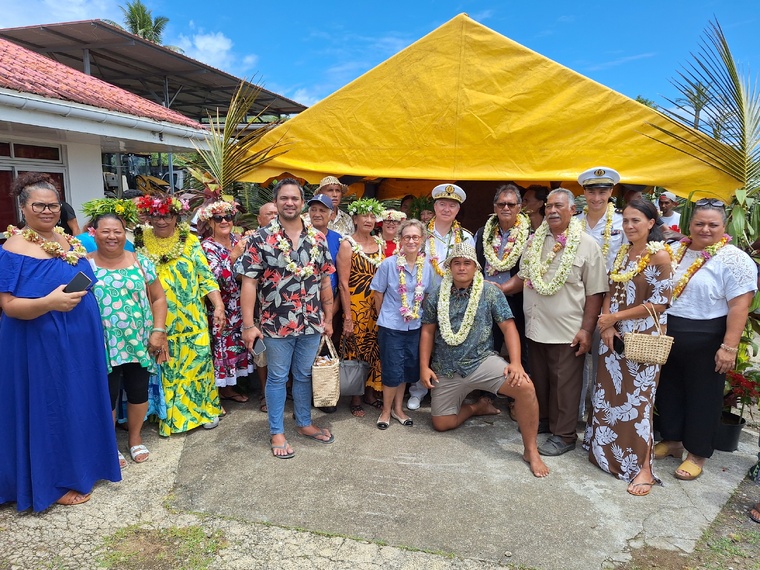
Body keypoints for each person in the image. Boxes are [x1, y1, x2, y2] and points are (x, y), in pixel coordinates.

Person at [0, 172, 120, 510]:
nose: (48, 211)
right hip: (39, 345)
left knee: (77, 402)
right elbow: (9, 306)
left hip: (79, 343)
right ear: (23, 207)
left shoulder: (69, 241)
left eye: (53, 205)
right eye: (39, 205)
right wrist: (48, 303)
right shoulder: (12, 249)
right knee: (49, 408)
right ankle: (50, 483)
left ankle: (83, 466)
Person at [419, 243, 549, 478]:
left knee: (525, 387)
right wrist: (424, 367)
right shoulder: (437, 294)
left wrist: (517, 363)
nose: (461, 267)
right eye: (456, 263)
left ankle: (531, 450)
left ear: (475, 267)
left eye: (467, 263)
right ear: (449, 267)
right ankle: (477, 407)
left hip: (481, 362)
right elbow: (427, 331)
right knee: (441, 423)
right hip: (446, 368)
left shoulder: (490, 292)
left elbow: (509, 328)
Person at [654, 198, 757, 481]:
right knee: (670, 391)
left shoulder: (735, 259)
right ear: (690, 224)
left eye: (713, 224)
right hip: (671, 331)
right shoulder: (675, 250)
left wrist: (729, 347)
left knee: (703, 397)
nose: (705, 229)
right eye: (699, 223)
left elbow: (740, 306)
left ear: (724, 226)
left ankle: (697, 453)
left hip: (708, 336)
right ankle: (673, 441)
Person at [239, 178, 336, 459]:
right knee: (278, 377)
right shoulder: (260, 238)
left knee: (304, 375)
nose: (290, 203)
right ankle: (277, 431)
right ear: (276, 201)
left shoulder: (317, 238)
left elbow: (325, 280)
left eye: (295, 198)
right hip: (275, 322)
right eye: (284, 198)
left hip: (311, 323)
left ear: (302, 202)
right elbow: (249, 283)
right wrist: (248, 325)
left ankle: (304, 423)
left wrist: (328, 318)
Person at [583, 200, 673, 496]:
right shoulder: (623, 253)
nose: (630, 226)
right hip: (613, 338)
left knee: (638, 404)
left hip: (640, 341)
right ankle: (606, 454)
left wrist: (615, 318)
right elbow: (611, 289)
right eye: (626, 221)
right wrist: (606, 324)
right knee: (608, 396)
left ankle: (643, 468)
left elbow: (661, 303)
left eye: (636, 220)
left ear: (651, 223)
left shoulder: (659, 256)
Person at [511, 188, 608, 456]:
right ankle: (541, 422)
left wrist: (587, 330)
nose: (552, 211)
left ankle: (564, 435)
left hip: (568, 331)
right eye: (549, 206)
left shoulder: (587, 244)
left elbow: (596, 292)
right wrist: (497, 289)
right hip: (536, 326)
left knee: (565, 387)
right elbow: (522, 277)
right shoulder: (534, 241)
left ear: (573, 210)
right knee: (540, 381)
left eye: (559, 206)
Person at [134, 195, 225, 436]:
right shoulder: (139, 241)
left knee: (198, 364)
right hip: (158, 320)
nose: (162, 221)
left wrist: (218, 305)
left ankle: (204, 411)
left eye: (167, 215)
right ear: (148, 217)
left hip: (192, 318)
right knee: (167, 368)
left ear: (177, 217)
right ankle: (169, 416)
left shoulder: (191, 241)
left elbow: (205, 276)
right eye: (156, 216)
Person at [89, 213, 169, 467]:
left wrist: (158, 330)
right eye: (106, 231)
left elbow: (158, 298)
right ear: (94, 233)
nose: (112, 236)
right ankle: (109, 445)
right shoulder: (83, 264)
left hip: (139, 342)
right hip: (103, 344)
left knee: (138, 392)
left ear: (126, 234)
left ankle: (135, 439)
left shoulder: (140, 262)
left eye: (118, 231)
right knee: (107, 395)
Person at [409, 183, 475, 410]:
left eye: (452, 206)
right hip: (424, 298)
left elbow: (471, 269)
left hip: (454, 298)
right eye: (442, 204)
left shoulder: (465, 238)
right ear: (435, 206)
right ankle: (417, 390)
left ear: (458, 210)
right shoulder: (420, 234)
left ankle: (450, 391)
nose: (447, 209)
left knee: (451, 345)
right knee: (423, 344)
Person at [370, 219, 433, 429]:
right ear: (400, 240)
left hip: (414, 327)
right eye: (407, 237)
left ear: (422, 239)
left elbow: (427, 296)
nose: (411, 241)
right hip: (391, 326)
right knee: (391, 370)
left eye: (416, 237)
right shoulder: (389, 264)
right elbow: (377, 293)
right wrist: (384, 317)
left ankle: (399, 409)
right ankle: (386, 411)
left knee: (406, 369)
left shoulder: (427, 267)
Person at [576, 167, 626, 422]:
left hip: (610, 299)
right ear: (583, 192)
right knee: (576, 357)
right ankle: (576, 412)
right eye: (591, 191)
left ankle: (598, 415)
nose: (596, 197)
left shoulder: (622, 222)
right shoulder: (574, 223)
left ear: (611, 192)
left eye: (602, 191)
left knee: (603, 358)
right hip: (576, 299)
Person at [199, 201, 252, 405]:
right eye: (218, 218)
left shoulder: (238, 239)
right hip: (220, 306)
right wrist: (234, 255)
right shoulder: (206, 246)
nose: (223, 221)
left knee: (236, 347)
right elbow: (213, 278)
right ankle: (215, 396)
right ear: (210, 222)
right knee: (219, 349)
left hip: (240, 305)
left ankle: (229, 389)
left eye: (227, 217)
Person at [337, 197, 386, 416]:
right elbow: (343, 283)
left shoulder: (380, 243)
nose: (368, 220)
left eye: (372, 216)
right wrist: (348, 316)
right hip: (356, 306)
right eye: (364, 215)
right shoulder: (347, 244)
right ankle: (355, 396)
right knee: (356, 349)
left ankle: (370, 392)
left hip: (377, 306)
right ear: (355, 218)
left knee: (375, 347)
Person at [474, 184, 530, 359]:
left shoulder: (530, 236)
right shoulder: (482, 233)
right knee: (487, 348)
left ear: (519, 208)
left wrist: (501, 288)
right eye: (501, 204)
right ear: (494, 207)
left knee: (520, 350)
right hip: (484, 300)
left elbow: (528, 272)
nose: (506, 208)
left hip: (516, 301)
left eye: (511, 205)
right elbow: (473, 264)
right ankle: (486, 386)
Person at [307, 193, 343, 414]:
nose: (318, 214)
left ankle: (326, 395)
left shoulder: (339, 239)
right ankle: (306, 394)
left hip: (332, 304)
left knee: (327, 350)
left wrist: (332, 311)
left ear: (332, 214)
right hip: (305, 306)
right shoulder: (300, 235)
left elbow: (342, 278)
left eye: (323, 210)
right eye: (314, 210)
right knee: (306, 352)